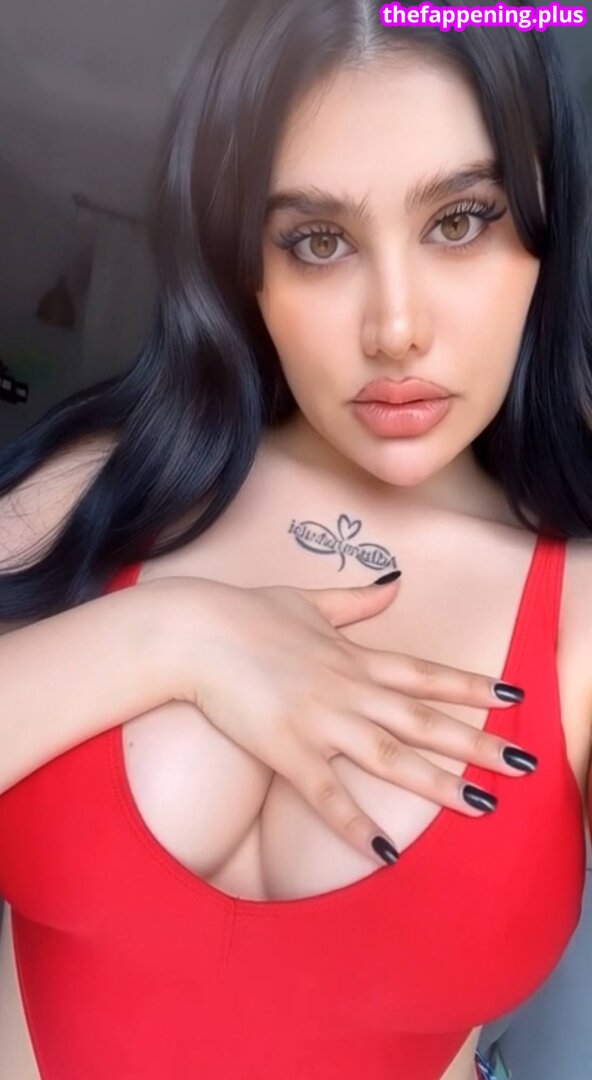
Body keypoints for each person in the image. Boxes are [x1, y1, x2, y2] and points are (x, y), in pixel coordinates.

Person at [0, 0, 591, 1077]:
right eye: (319, 241)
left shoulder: (581, 606)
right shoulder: (105, 481)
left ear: (547, 226)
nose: (396, 327)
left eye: (460, 221)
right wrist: (171, 637)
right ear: (247, 268)